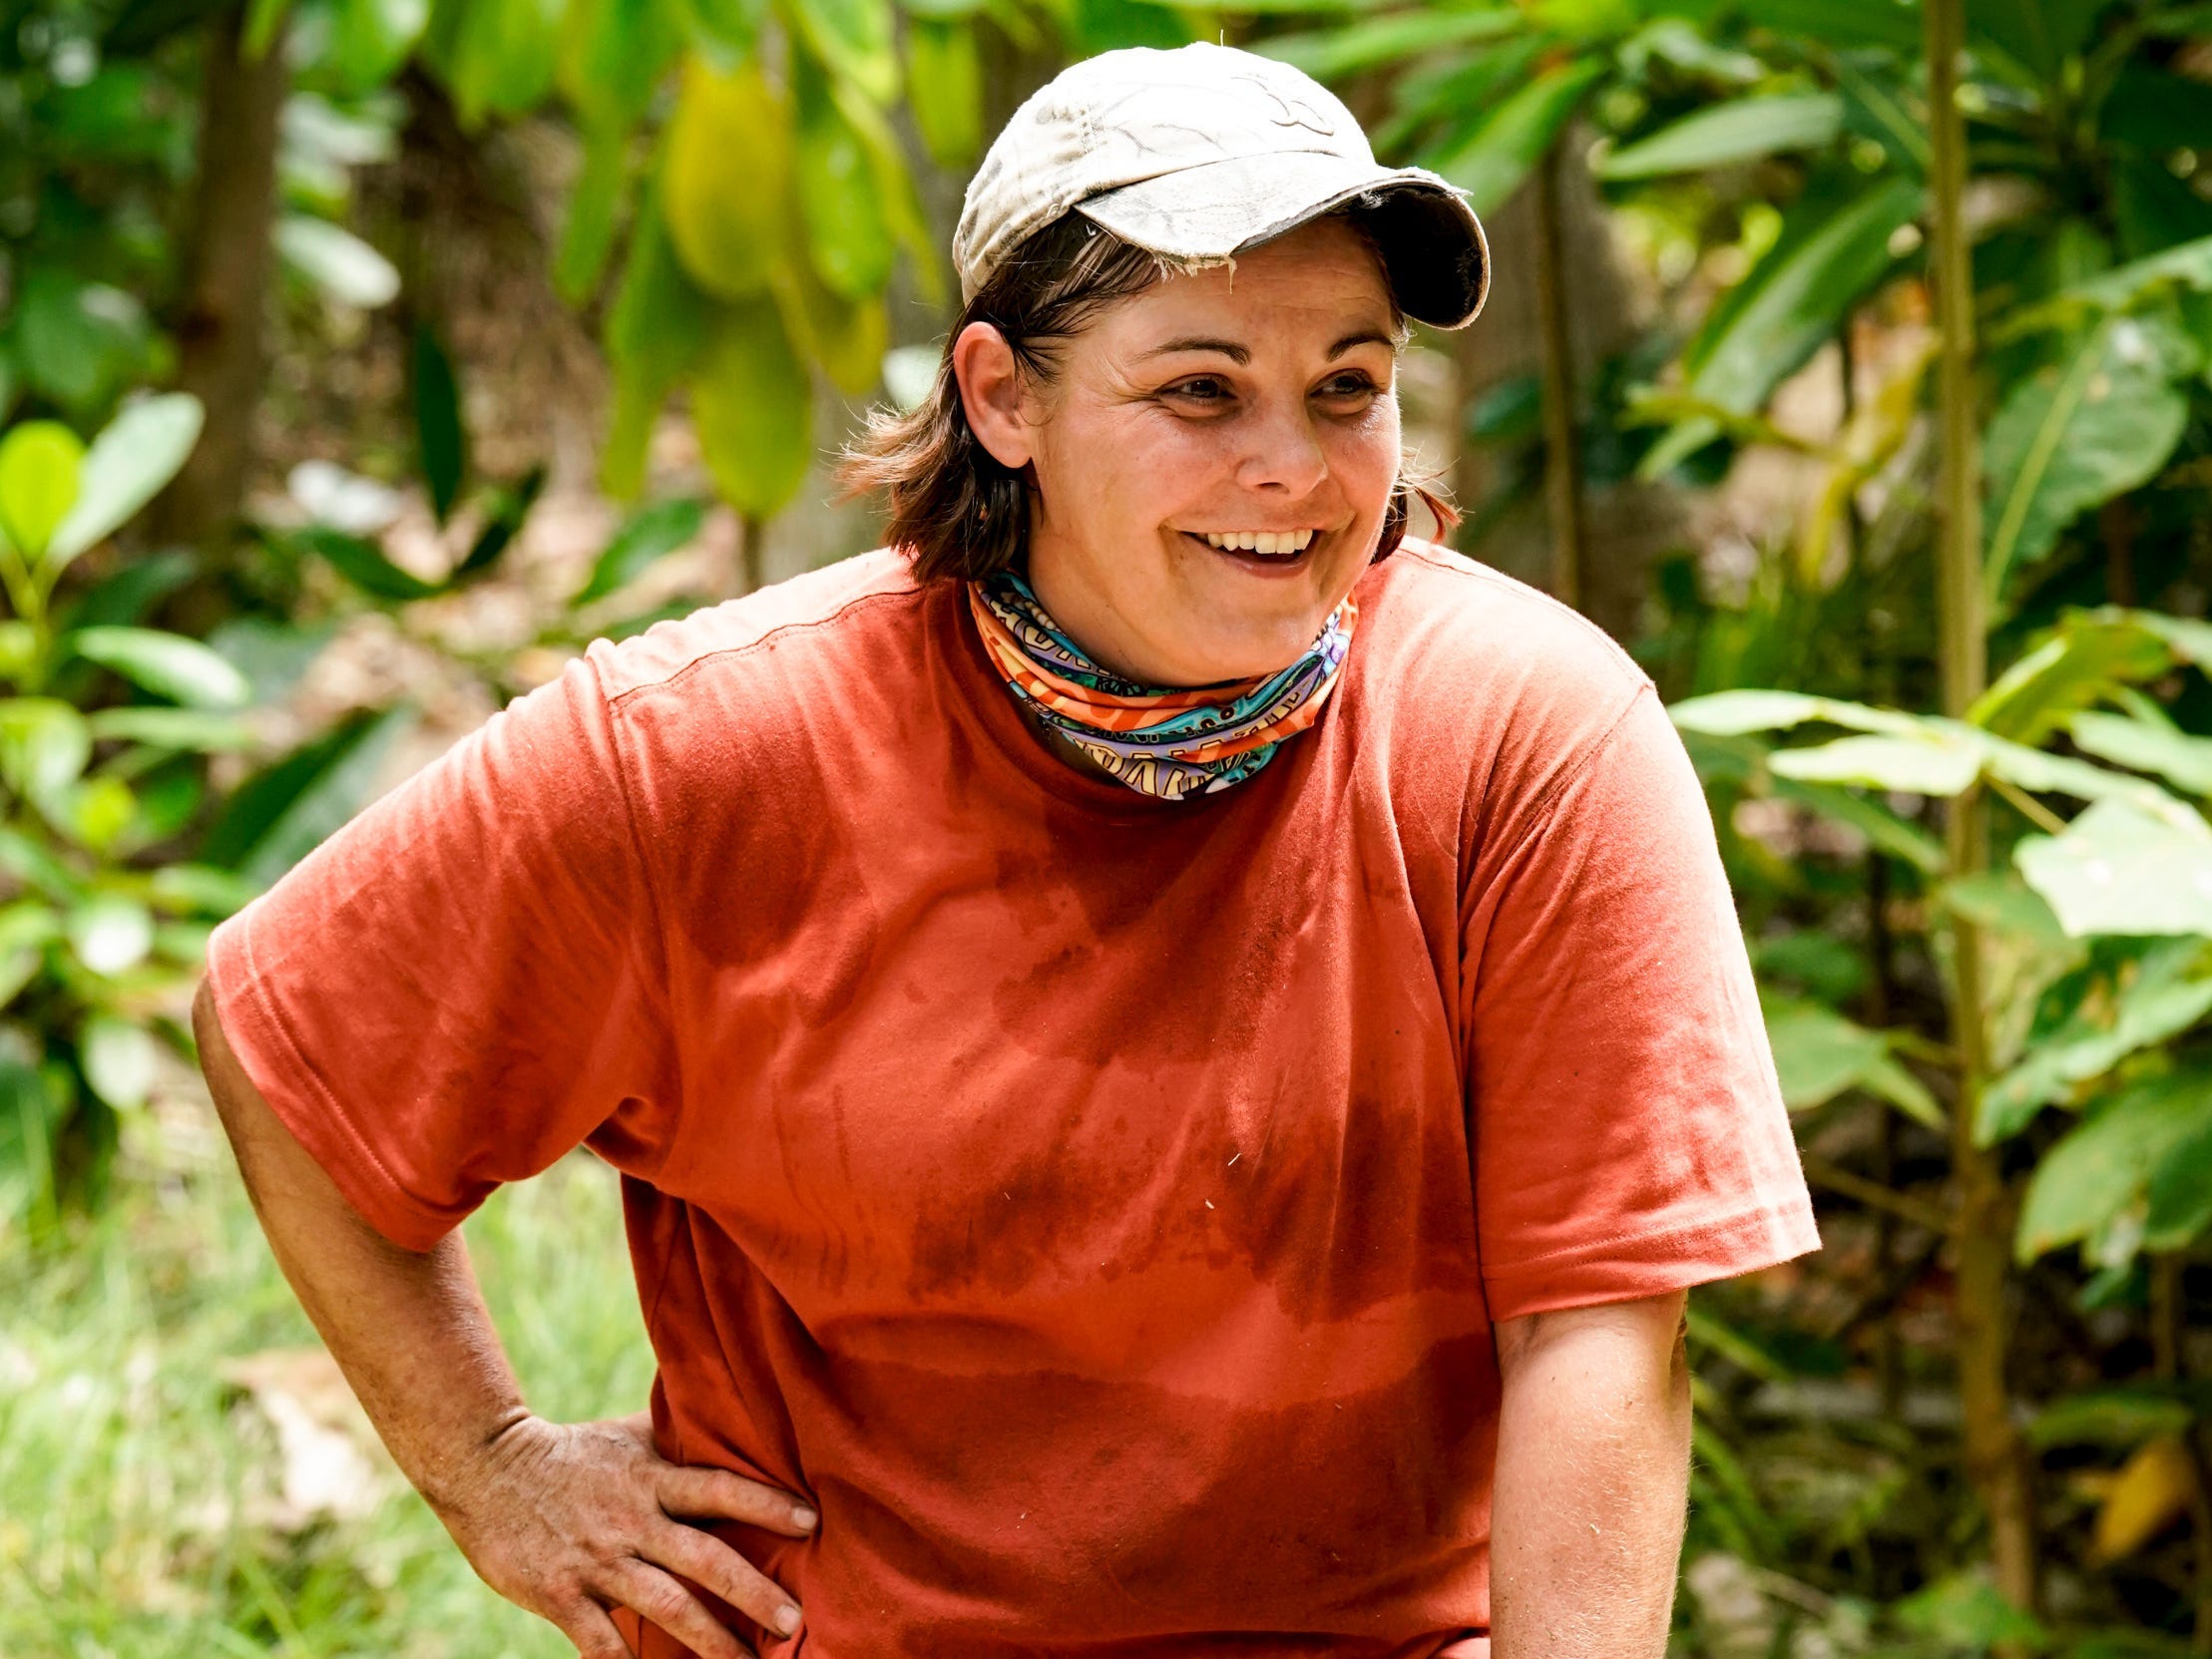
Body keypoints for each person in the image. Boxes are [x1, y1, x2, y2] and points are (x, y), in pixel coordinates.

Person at [195, 40, 1818, 1659]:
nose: (1296, 469)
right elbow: (284, 1040)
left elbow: (1597, 1330)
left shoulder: (1529, 736)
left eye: (1349, 386)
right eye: (1199, 390)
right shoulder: (707, 751)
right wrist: (493, 1469)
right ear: (1000, 398)